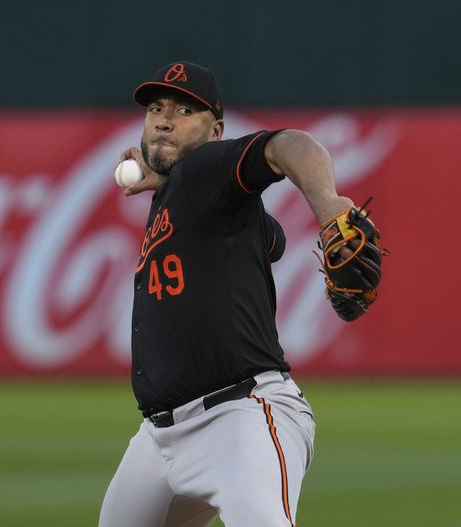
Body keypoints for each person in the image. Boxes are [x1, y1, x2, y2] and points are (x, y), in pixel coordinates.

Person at [98, 61, 357, 527]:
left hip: (240, 418)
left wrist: (330, 209)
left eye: (183, 110)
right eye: (155, 108)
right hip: (158, 440)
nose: (162, 118)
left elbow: (291, 145)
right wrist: (171, 184)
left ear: (216, 131)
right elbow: (269, 239)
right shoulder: (191, 191)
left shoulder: (206, 168)